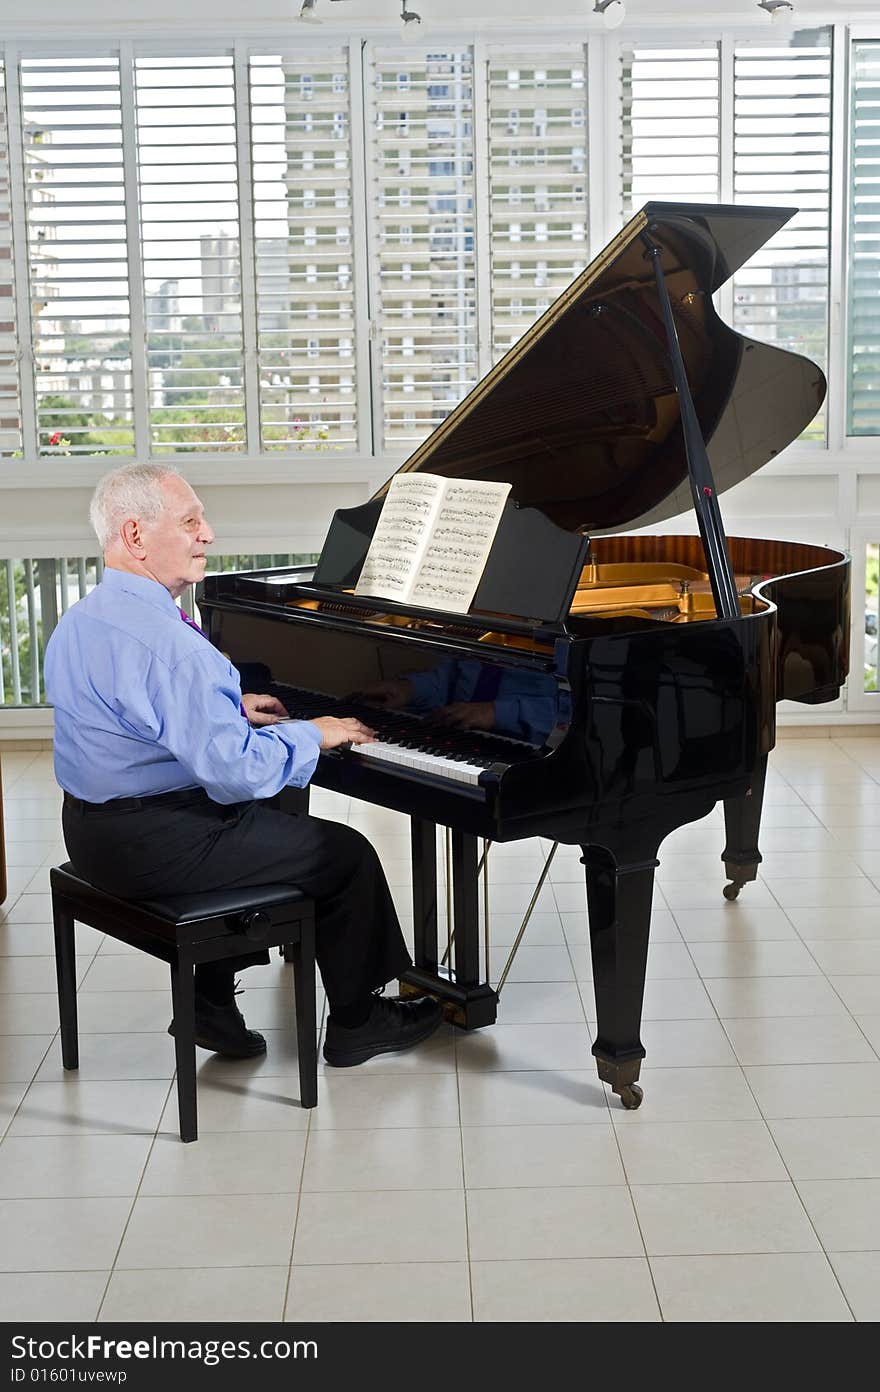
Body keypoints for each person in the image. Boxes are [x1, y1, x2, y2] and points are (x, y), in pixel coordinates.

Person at [44, 463, 442, 1067]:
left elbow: (135, 717)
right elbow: (236, 772)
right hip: (154, 846)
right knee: (346, 854)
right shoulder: (171, 644)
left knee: (275, 808)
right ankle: (361, 1021)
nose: (208, 534)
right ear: (134, 535)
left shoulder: (86, 618)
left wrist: (230, 709)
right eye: (190, 521)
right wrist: (315, 730)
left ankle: (210, 1003)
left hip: (92, 829)